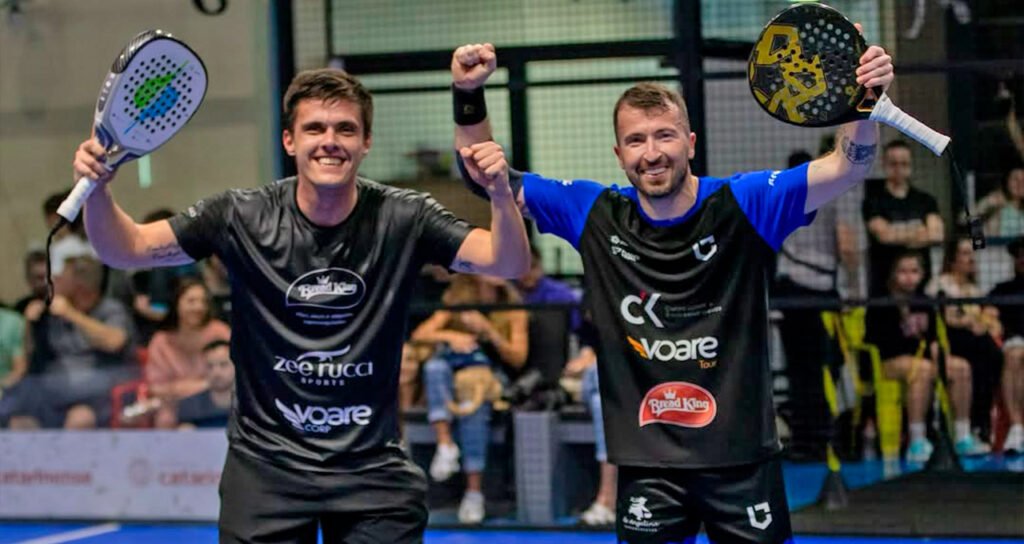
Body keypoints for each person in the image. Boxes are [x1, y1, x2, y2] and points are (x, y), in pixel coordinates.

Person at [450, 35, 893, 543]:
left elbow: (848, 166)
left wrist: (863, 101)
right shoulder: (593, 212)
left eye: (665, 136)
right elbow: (487, 178)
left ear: (691, 143)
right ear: (619, 154)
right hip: (649, 467)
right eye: (636, 140)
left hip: (742, 461)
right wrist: (468, 94)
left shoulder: (745, 203)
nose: (652, 153)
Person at [72, 68, 530, 543]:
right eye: (315, 128)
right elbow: (125, 249)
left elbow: (508, 261)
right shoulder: (238, 215)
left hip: (371, 469)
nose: (330, 141)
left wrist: (499, 193)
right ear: (289, 141)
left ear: (366, 142)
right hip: (266, 470)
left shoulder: (405, 216)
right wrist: (98, 190)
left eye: (345, 129)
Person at [410, 273, 528, 524]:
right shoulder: (457, 298)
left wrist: (489, 331)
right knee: (434, 368)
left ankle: (474, 493)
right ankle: (446, 445)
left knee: (473, 403)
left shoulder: (512, 307)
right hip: (451, 374)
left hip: (489, 377)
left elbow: (518, 358)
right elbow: (420, 334)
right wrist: (451, 336)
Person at [773, 149, 859, 461]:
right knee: (826, 366)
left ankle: (807, 440)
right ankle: (825, 438)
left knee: (802, 370)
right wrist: (853, 288)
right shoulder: (834, 193)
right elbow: (847, 247)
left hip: (789, 291)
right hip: (818, 293)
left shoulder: (780, 196)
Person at [864, 252, 977, 463]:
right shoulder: (880, 302)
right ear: (892, 274)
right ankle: (916, 442)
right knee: (922, 370)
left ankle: (962, 436)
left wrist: (937, 352)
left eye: (914, 271)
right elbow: (878, 342)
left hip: (922, 360)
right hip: (887, 361)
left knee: (961, 367)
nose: (909, 277)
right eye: (903, 271)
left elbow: (933, 337)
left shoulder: (924, 301)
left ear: (922, 274)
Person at [926, 236, 1002, 454]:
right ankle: (974, 426)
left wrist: (985, 322)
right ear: (952, 258)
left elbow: (987, 319)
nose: (971, 258)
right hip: (947, 339)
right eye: (965, 253)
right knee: (984, 350)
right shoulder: (940, 284)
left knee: (992, 354)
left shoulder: (974, 289)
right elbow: (945, 319)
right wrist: (970, 322)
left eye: (972, 253)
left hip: (975, 343)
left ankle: (980, 424)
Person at [145, 277, 231, 428]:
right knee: (165, 418)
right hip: (174, 404)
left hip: (217, 400)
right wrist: (201, 386)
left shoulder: (221, 332)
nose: (199, 307)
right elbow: (156, 388)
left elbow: (237, 374)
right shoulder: (161, 341)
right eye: (191, 301)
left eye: (203, 301)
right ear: (176, 304)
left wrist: (200, 387)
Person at [862, 139, 944, 296]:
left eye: (904, 164)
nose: (899, 169)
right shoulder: (873, 201)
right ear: (884, 165)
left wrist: (896, 233)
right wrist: (919, 232)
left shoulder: (925, 200)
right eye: (893, 164)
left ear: (911, 166)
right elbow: (884, 235)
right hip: (884, 287)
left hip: (920, 289)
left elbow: (936, 234)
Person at [990, 237, 1024, 454]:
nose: (1023, 259)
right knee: (1015, 355)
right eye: (1019, 255)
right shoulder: (1002, 290)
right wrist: (990, 320)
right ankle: (1017, 428)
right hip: (1014, 342)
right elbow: (988, 314)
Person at [176, 338, 234, 429]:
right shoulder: (190, 405)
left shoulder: (252, 405)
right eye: (209, 366)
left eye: (223, 364)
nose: (216, 372)